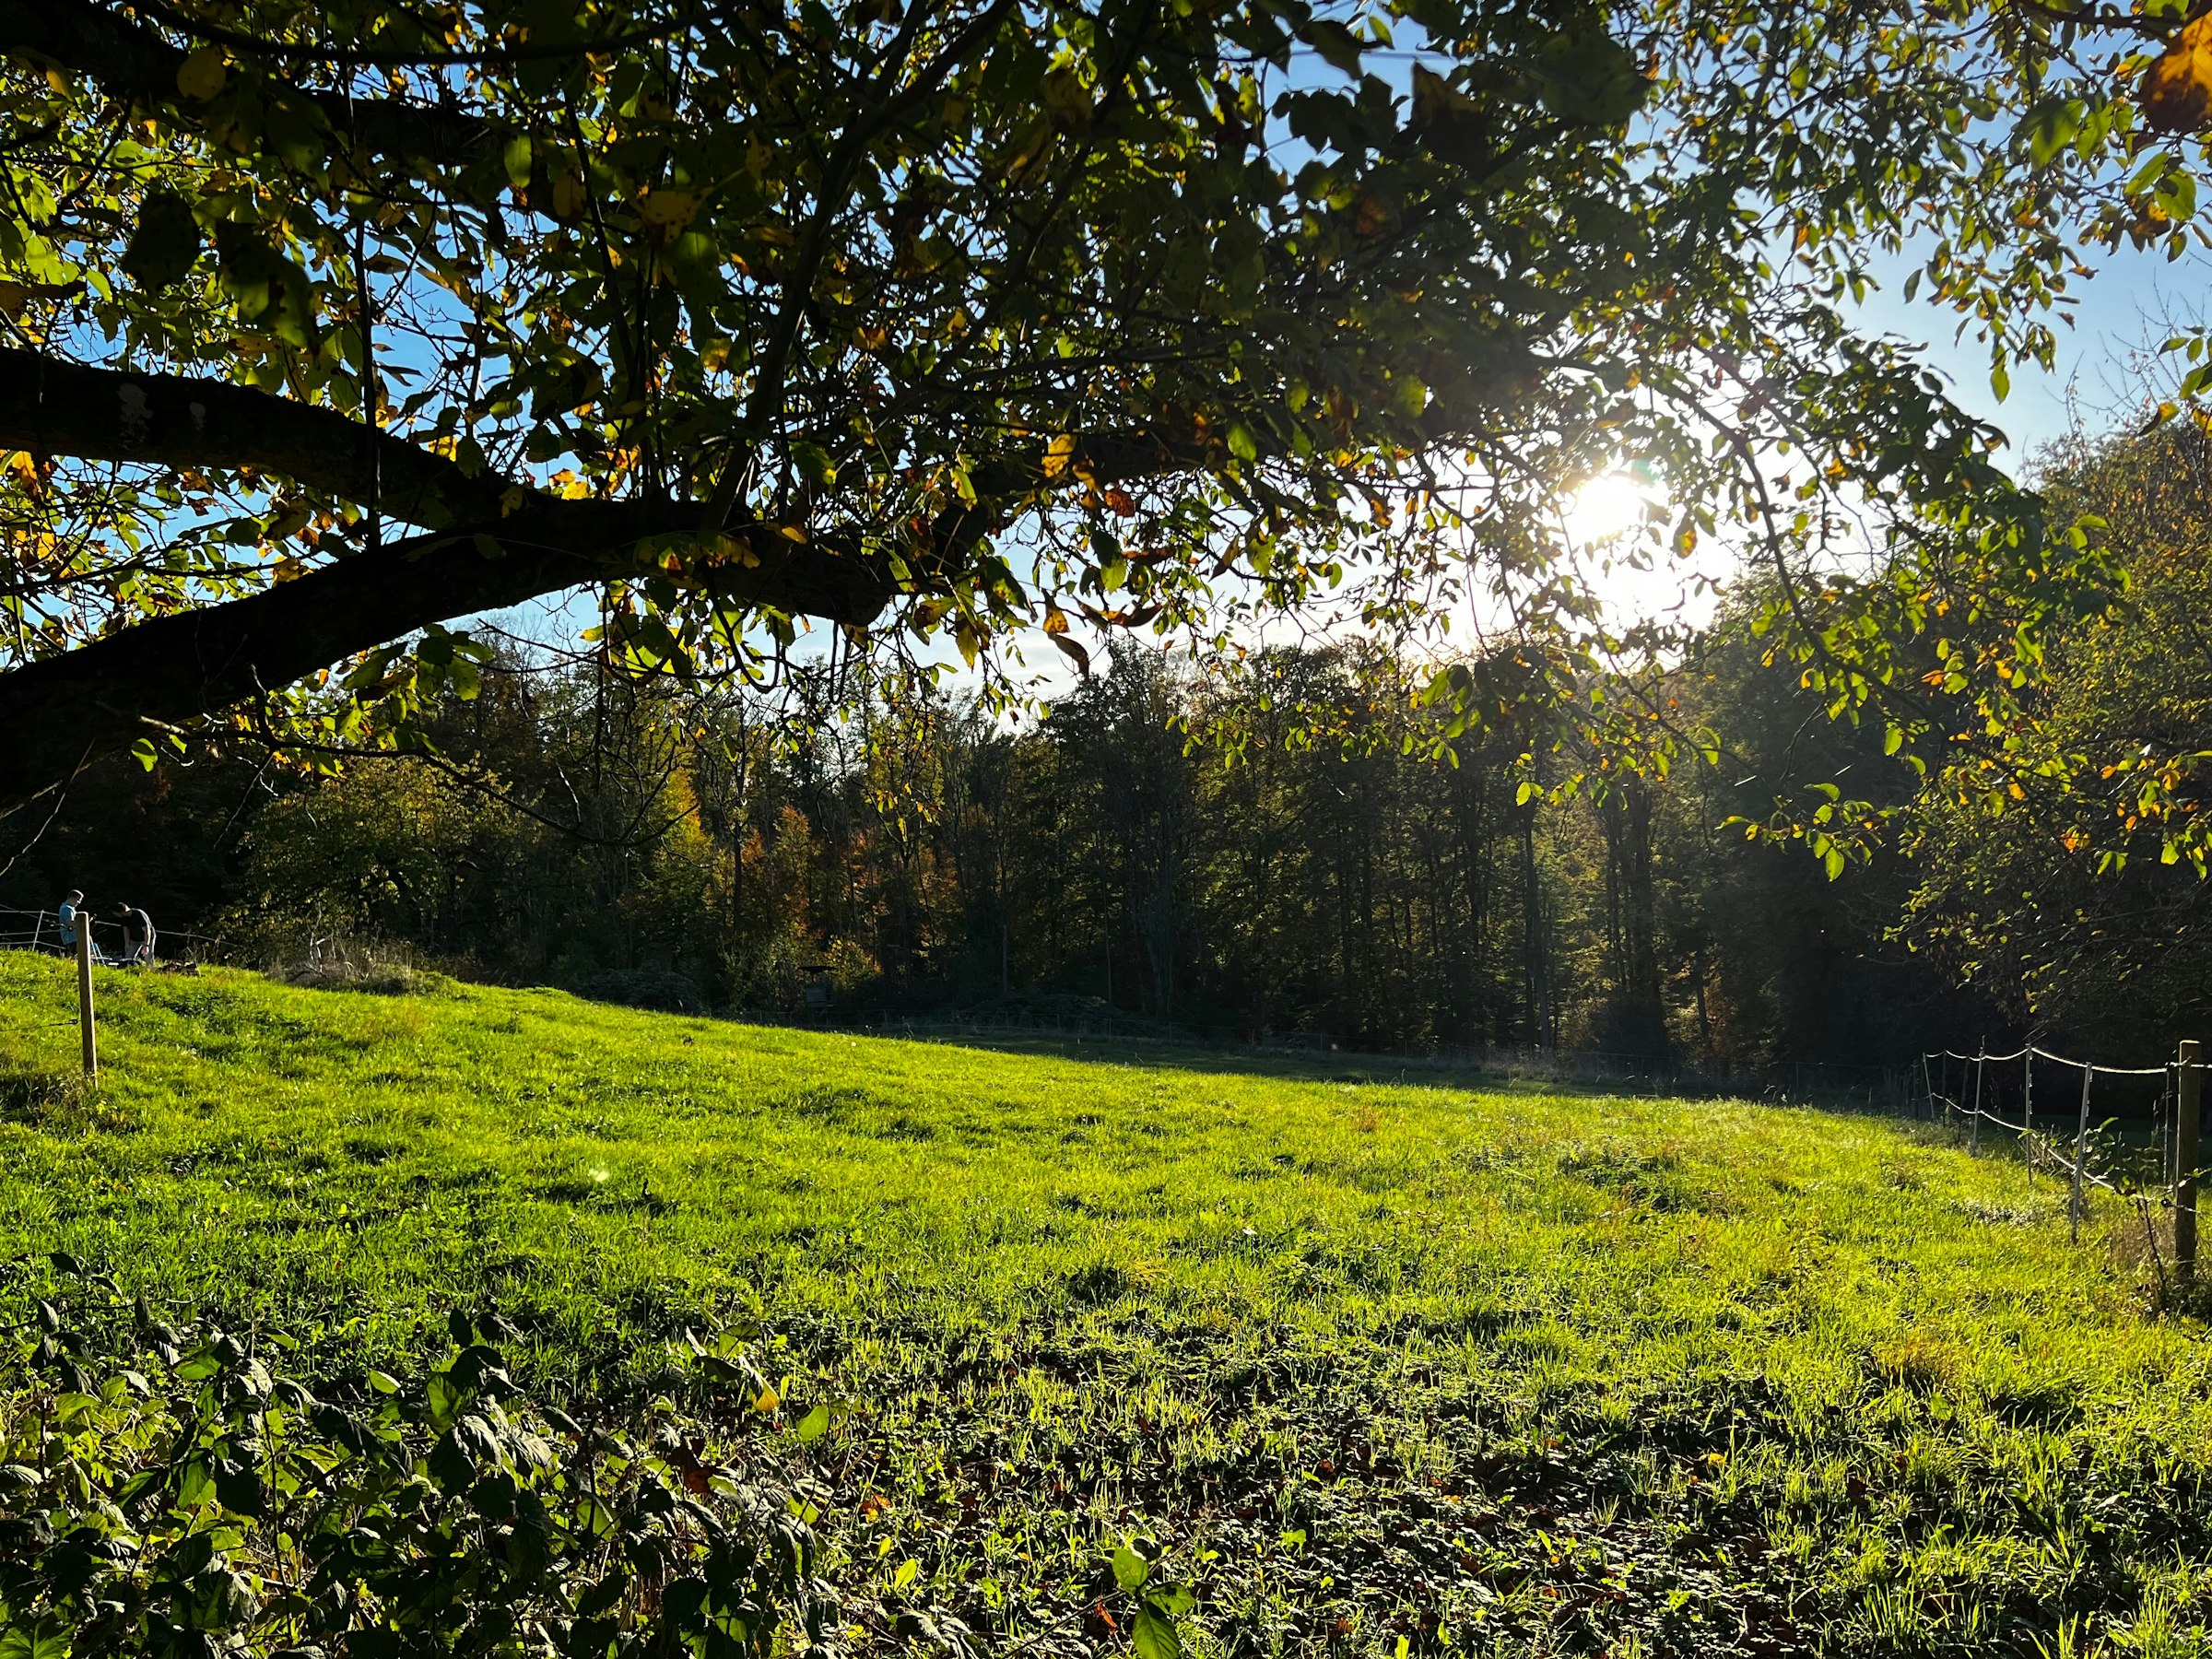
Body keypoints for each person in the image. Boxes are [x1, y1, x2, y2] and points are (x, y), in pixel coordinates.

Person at [113, 902, 156, 966]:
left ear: (122, 912)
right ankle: (130, 970)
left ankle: (150, 972)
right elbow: (126, 930)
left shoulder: (139, 914)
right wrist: (127, 944)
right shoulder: (124, 918)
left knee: (148, 957)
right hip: (134, 939)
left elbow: (147, 931)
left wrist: (146, 946)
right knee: (128, 957)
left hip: (146, 938)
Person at [54, 889, 82, 954]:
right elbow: (70, 923)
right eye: (78, 900)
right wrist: (83, 923)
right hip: (71, 938)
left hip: (74, 938)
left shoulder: (70, 908)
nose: (79, 902)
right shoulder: (66, 909)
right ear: (72, 898)